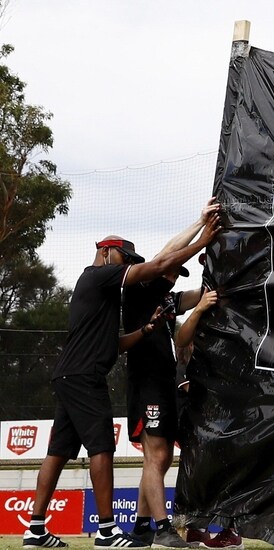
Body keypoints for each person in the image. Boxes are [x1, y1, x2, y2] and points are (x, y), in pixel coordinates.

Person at [22, 219, 218, 549]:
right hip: (95, 378)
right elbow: (163, 257)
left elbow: (116, 343)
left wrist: (147, 329)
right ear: (108, 252)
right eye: (125, 258)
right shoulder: (111, 280)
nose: (171, 277)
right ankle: (110, 530)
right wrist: (203, 232)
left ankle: (36, 529)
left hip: (77, 374)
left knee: (58, 452)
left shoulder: (125, 298)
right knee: (105, 449)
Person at [124, 202, 220, 548]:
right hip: (146, 383)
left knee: (160, 458)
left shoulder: (165, 299)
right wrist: (200, 223)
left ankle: (140, 529)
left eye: (176, 275)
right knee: (158, 455)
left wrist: (216, 284)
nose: (171, 276)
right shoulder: (137, 291)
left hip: (164, 384)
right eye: (169, 272)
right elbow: (166, 253)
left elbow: (200, 296)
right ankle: (163, 529)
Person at [172, 283, 245, 550]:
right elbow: (181, 341)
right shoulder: (202, 314)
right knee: (196, 466)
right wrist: (200, 307)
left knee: (228, 464)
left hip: (229, 402)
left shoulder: (241, 316)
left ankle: (231, 530)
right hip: (200, 408)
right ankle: (195, 527)